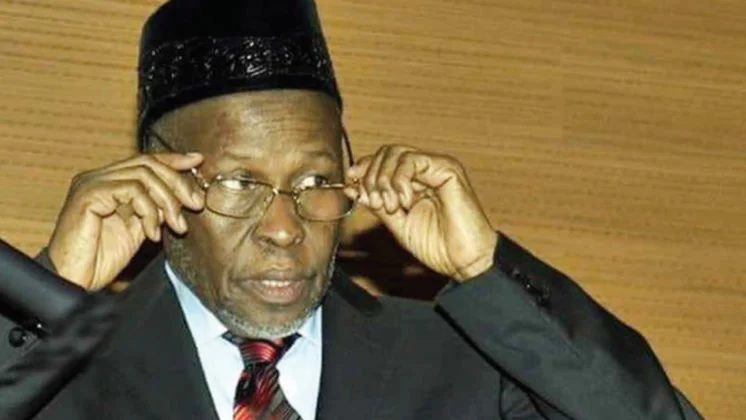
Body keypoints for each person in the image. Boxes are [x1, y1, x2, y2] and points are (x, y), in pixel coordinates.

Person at [0, 0, 704, 418]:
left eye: (315, 180)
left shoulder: (463, 363)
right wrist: (48, 289)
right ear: (159, 181)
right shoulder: (59, 372)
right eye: (240, 183)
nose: (285, 229)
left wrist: (485, 268)